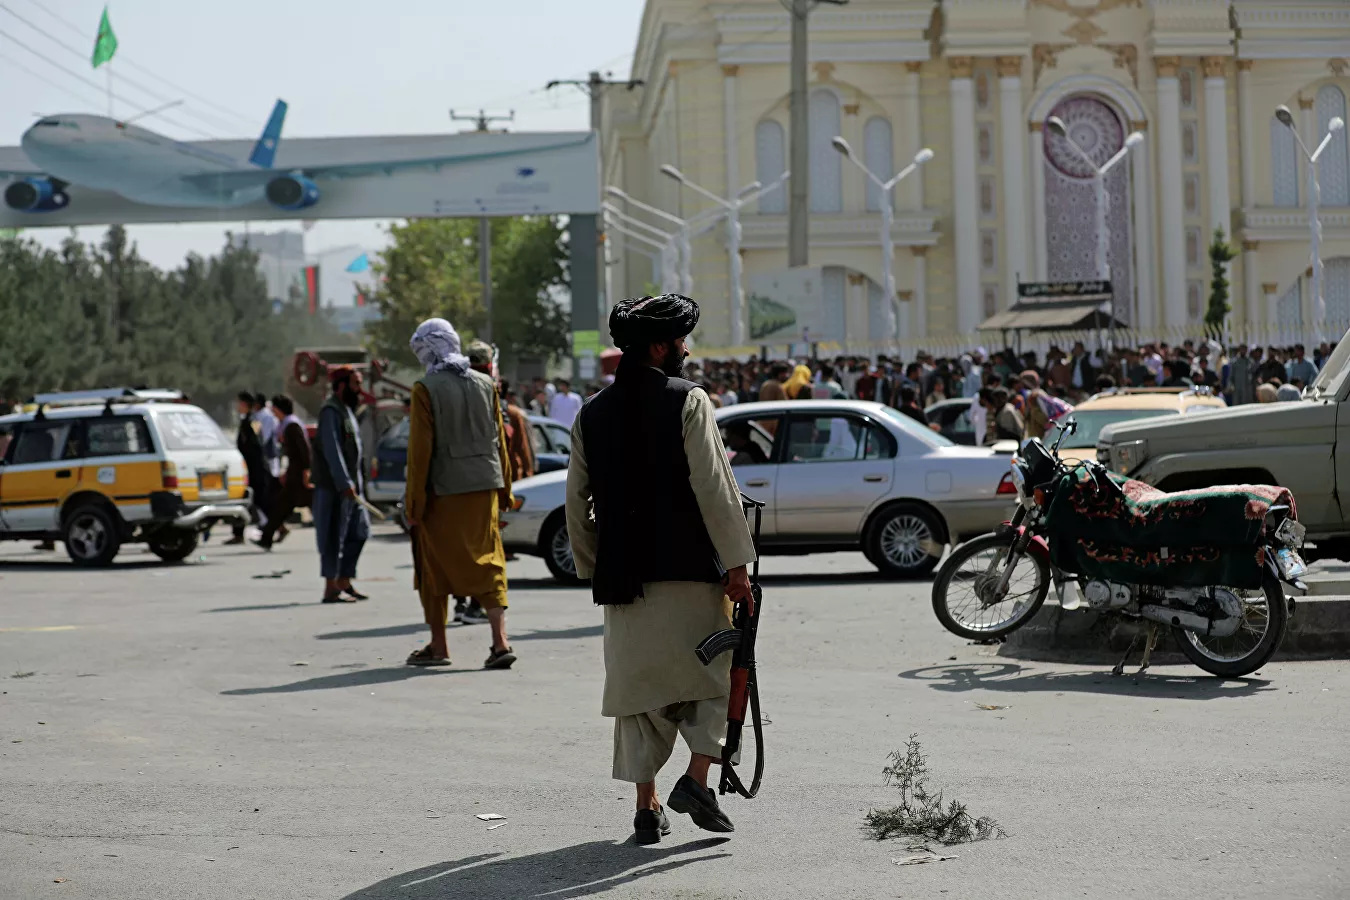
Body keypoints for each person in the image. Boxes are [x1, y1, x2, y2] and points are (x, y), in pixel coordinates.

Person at [565, 294, 756, 845]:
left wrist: (593, 566)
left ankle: (646, 808)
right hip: (692, 575)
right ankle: (697, 780)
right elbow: (716, 489)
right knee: (714, 681)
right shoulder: (688, 401)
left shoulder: (591, 413)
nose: (687, 349)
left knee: (640, 698)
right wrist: (739, 566)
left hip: (624, 582)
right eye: (680, 341)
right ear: (658, 346)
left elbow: (576, 501)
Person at [404, 326, 516, 669]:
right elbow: (499, 442)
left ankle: (439, 646)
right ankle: (500, 643)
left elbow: (419, 453)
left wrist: (414, 504)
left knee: (433, 567)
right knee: (489, 561)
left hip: (444, 491)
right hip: (485, 487)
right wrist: (506, 490)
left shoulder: (425, 389)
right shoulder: (485, 384)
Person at [310, 366, 371, 604]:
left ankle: (344, 578)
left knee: (360, 532)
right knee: (333, 537)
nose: (360, 389)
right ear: (342, 386)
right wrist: (343, 482)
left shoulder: (347, 411)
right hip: (335, 488)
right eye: (356, 384)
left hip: (353, 490)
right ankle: (331, 587)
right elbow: (332, 450)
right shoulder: (330, 411)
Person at [254, 394, 310, 551]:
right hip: (294, 473)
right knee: (282, 506)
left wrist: (305, 470)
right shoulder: (286, 424)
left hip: (298, 474)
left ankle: (267, 537)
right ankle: (267, 536)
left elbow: (303, 450)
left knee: (283, 506)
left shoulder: (291, 426)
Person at [230, 391, 269, 545]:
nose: (237, 406)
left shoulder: (253, 420)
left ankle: (277, 527)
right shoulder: (247, 420)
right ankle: (238, 533)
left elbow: (257, 444)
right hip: (248, 467)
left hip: (255, 468)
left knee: (258, 500)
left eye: (239, 403)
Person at [501, 383, 536, 483]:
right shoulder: (514, 413)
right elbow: (523, 446)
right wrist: (528, 472)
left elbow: (524, 444)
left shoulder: (514, 413)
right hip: (511, 471)